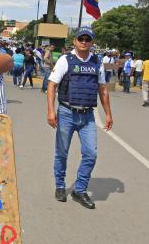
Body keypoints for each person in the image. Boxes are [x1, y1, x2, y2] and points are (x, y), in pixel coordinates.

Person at [47, 27, 113, 209]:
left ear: (92, 42)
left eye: (87, 39)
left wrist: (108, 113)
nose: (84, 42)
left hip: (87, 116)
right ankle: (60, 186)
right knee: (61, 153)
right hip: (66, 113)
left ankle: (79, 189)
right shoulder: (65, 60)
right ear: (75, 41)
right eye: (81, 38)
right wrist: (51, 111)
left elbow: (103, 89)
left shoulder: (96, 62)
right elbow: (52, 86)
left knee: (91, 154)